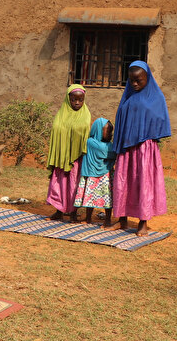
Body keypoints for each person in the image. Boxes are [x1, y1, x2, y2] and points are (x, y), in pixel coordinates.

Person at [108, 61, 171, 236]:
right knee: (123, 182)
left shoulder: (156, 98)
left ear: (147, 78)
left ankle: (143, 222)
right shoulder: (128, 97)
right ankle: (122, 219)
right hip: (127, 150)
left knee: (142, 183)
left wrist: (146, 138)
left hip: (144, 149)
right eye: (132, 80)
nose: (135, 84)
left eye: (139, 80)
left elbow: (159, 121)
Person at [46, 84, 92, 222]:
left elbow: (84, 135)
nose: (77, 103)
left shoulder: (85, 115)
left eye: (80, 100)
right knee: (60, 183)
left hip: (76, 159)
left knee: (74, 184)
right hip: (61, 157)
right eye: (73, 100)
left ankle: (73, 213)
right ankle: (59, 211)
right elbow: (56, 131)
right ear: (68, 99)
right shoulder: (61, 115)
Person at [72, 118, 115, 225]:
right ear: (99, 131)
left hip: (105, 174)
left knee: (107, 198)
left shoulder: (106, 144)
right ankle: (88, 218)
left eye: (111, 132)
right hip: (93, 174)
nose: (111, 134)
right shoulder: (91, 142)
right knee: (90, 197)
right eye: (108, 131)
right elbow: (108, 152)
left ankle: (108, 219)